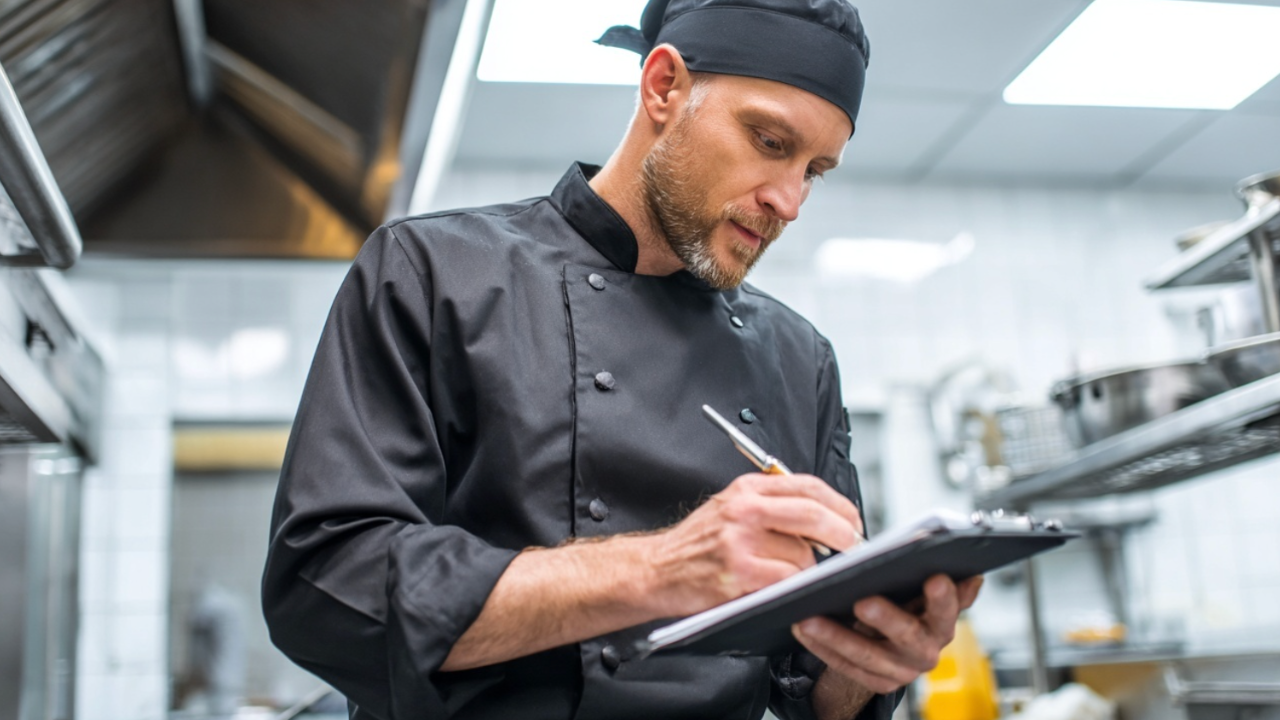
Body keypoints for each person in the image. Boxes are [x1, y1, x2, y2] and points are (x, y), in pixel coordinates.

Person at [262, 0, 983, 718]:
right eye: (769, 141)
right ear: (664, 86)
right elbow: (329, 585)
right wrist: (663, 568)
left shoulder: (801, 360)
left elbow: (811, 693)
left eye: (815, 170)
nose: (789, 201)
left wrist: (874, 654)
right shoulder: (436, 273)